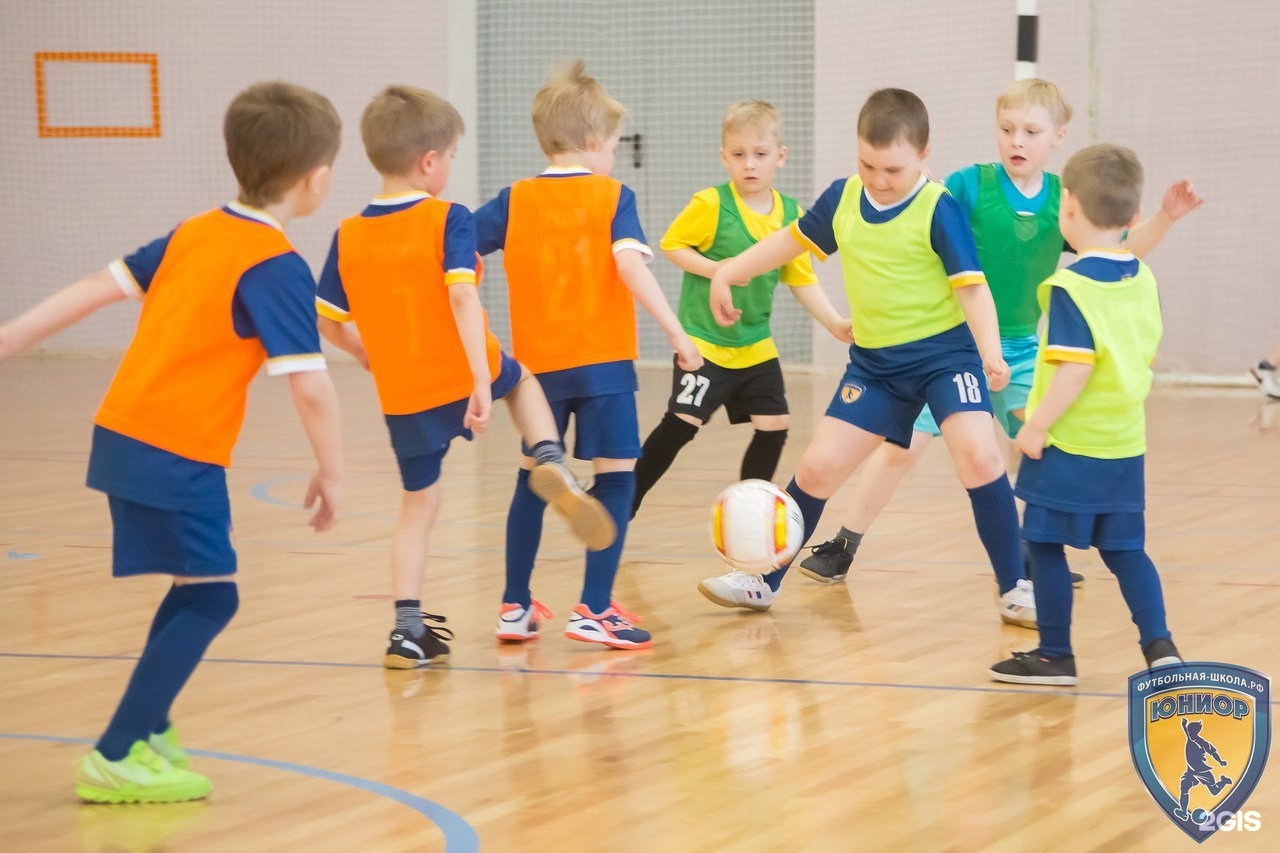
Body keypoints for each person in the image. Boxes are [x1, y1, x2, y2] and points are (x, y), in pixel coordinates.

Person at [0, 82, 345, 802]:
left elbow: (98, 285)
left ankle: (150, 725)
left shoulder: (199, 230)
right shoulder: (276, 262)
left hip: (126, 434)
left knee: (197, 587)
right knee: (214, 598)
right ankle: (116, 751)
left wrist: (10, 338)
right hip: (175, 449)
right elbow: (310, 385)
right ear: (317, 178)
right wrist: (332, 470)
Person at [800, 79, 1204, 588]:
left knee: (1039, 438)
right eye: (1007, 129)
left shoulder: (1066, 200)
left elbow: (1117, 251)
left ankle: (1037, 553)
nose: (1017, 140)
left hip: (1021, 351)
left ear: (1058, 137)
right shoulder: (969, 186)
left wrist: (1165, 217)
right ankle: (845, 543)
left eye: (1031, 131)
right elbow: (922, 221)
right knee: (902, 448)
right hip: (949, 347)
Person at [696, 87, 1036, 628]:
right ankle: (762, 579)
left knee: (979, 457)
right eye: (867, 164)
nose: (879, 179)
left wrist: (991, 353)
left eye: (893, 169)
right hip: (876, 366)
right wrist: (727, 271)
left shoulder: (938, 207)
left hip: (946, 358)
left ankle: (1016, 585)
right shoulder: (843, 198)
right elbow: (789, 243)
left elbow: (972, 288)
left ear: (925, 154)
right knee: (818, 467)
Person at [316, 86, 615, 669]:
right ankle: (551, 456)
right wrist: (481, 381)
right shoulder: (445, 218)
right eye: (451, 155)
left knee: (417, 509)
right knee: (523, 381)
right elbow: (460, 296)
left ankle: (406, 629)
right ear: (429, 161)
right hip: (459, 367)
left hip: (401, 393)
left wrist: (364, 354)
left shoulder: (347, 234)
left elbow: (328, 323)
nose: (450, 166)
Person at [475, 61, 703, 650]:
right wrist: (678, 333)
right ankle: (595, 609)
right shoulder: (612, 196)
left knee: (532, 477)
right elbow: (629, 266)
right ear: (597, 143)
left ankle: (514, 606)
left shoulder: (514, 201)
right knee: (617, 479)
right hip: (602, 366)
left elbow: (452, 253)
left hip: (535, 375)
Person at [990, 143, 1183, 686]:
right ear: (1134, 216)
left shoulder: (1070, 288)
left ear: (1066, 207)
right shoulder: (1142, 279)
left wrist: (1035, 424)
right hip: (1124, 445)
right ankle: (1160, 646)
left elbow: (1075, 371)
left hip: (1069, 448)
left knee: (1044, 544)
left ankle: (1055, 655)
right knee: (1127, 552)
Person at [630, 100, 847, 517]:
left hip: (755, 346)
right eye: (739, 155)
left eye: (760, 155)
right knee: (682, 424)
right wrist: (718, 270)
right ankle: (623, 501)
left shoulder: (790, 215)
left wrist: (834, 322)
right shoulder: (711, 204)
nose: (750, 164)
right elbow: (672, 245)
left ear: (780, 157)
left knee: (775, 427)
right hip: (705, 344)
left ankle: (750, 515)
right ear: (724, 157)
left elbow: (800, 277)